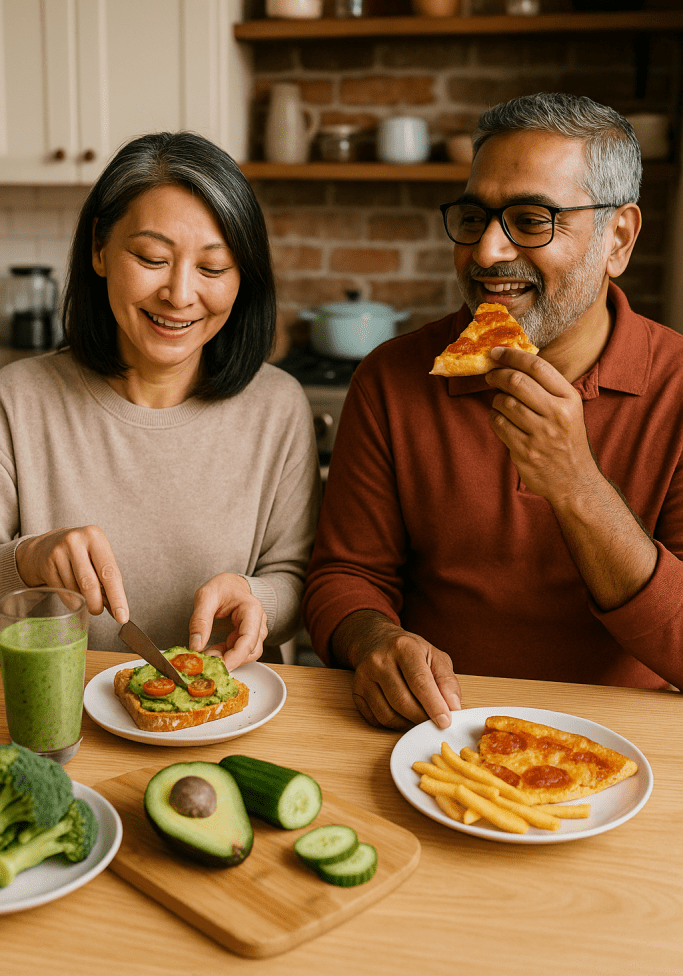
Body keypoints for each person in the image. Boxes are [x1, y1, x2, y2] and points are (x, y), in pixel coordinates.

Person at [303, 92, 683, 730]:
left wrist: (577, 485)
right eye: (475, 218)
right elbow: (345, 575)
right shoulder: (392, 379)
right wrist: (372, 641)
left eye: (532, 221)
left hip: (630, 750)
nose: (485, 253)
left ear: (618, 237)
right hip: (438, 737)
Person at [0, 131, 320, 668]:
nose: (179, 293)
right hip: (61, 712)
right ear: (99, 248)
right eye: (151, 257)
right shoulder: (17, 398)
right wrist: (26, 559)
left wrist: (256, 599)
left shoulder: (278, 407)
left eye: (213, 268)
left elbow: (295, 577)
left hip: (228, 713)